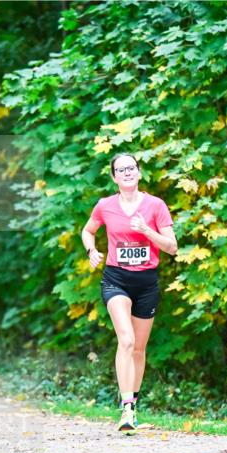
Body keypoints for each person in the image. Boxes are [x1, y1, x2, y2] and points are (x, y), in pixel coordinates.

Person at [81, 153, 177, 434]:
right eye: (120, 169)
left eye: (131, 168)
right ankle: (126, 409)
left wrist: (146, 230)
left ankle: (133, 402)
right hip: (116, 280)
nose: (126, 173)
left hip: (146, 283)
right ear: (114, 177)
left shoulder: (156, 206)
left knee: (139, 348)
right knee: (126, 339)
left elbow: (172, 246)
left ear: (139, 173)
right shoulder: (105, 206)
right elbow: (87, 231)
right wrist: (92, 250)